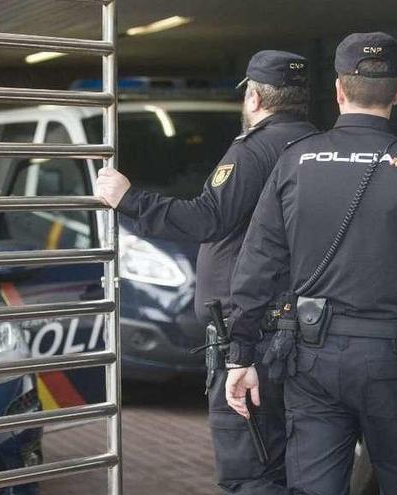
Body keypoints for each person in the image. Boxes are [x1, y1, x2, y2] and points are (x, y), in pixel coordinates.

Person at [224, 32, 397, 494]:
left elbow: (256, 266)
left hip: (311, 361)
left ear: (339, 91)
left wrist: (240, 354)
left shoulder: (296, 161)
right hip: (393, 361)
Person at [95, 50, 316, 494]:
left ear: (254, 97)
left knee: (249, 471)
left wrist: (129, 199)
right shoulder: (319, 148)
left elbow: (206, 218)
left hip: (251, 331)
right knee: (300, 465)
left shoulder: (253, 151)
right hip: (305, 329)